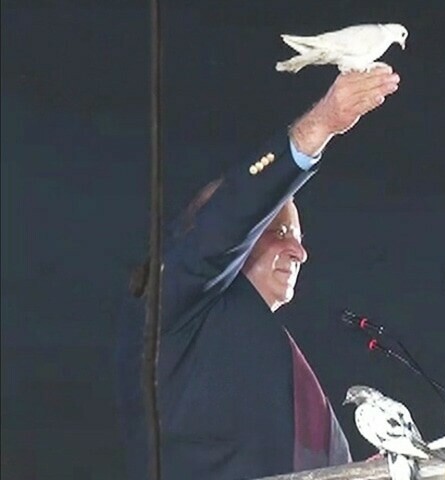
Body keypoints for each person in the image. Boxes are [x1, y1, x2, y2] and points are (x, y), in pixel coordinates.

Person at [115, 66, 401, 480]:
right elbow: (230, 215)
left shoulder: (266, 351)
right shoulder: (171, 302)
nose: (299, 251)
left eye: (298, 237)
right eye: (278, 232)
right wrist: (319, 126)